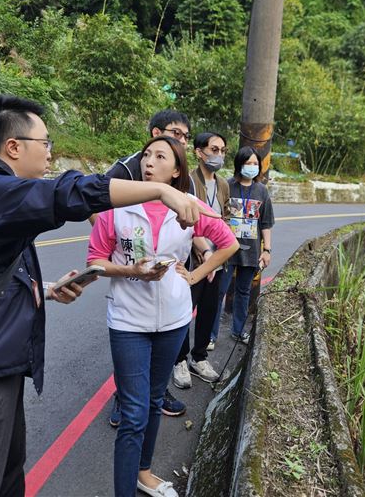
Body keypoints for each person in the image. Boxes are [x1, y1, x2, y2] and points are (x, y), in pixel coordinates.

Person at [0, 94, 212, 497]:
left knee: (6, 478)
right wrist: (158, 192)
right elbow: (64, 193)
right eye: (45, 144)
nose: (50, 153)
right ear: (13, 147)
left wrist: (45, 291)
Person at [87, 135, 238, 497]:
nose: (149, 162)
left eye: (160, 156)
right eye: (146, 155)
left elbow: (229, 243)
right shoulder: (117, 210)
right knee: (134, 414)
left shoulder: (188, 207)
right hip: (127, 322)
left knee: (154, 401)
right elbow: (95, 262)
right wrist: (130, 272)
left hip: (172, 321)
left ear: (176, 170)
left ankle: (143, 473)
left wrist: (195, 276)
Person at [98, 109, 198, 424]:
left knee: (161, 348)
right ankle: (124, 398)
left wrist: (194, 269)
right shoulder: (127, 169)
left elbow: (198, 226)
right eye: (174, 132)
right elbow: (97, 204)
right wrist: (114, 243)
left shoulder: (185, 180)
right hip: (130, 269)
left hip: (169, 285)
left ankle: (157, 393)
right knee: (131, 344)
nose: (180, 139)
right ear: (155, 133)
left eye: (184, 135)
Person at [171, 132, 230, 388]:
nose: (218, 155)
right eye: (213, 149)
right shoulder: (188, 182)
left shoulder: (224, 185)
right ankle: (180, 360)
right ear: (198, 152)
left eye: (222, 151)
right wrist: (205, 251)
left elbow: (225, 220)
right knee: (185, 311)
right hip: (196, 259)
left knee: (209, 309)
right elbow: (187, 224)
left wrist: (219, 255)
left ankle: (199, 357)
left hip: (219, 259)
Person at [219, 146, 274, 345]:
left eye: (255, 163)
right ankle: (210, 335)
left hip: (251, 253)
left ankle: (239, 330)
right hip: (226, 250)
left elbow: (266, 223)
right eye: (247, 163)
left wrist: (266, 250)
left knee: (243, 292)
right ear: (238, 164)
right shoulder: (226, 186)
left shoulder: (261, 191)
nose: (252, 167)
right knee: (219, 291)